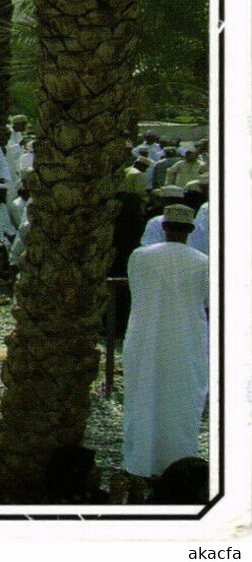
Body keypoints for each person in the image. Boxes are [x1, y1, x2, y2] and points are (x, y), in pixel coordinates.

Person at [122, 203, 209, 478]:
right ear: (190, 229)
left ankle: (141, 463)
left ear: (164, 227)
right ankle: (178, 466)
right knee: (180, 399)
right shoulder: (203, 262)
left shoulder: (140, 256)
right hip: (185, 339)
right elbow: (206, 300)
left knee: (144, 394)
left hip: (146, 338)